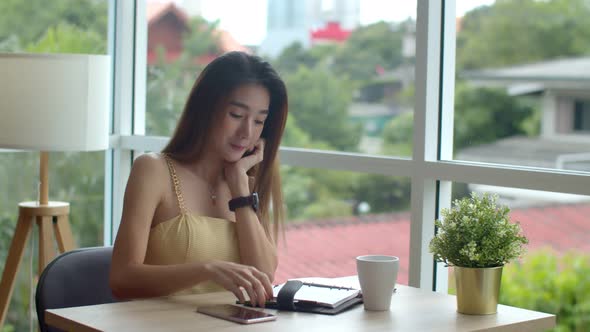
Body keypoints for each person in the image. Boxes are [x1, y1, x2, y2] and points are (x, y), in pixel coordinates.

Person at [110, 51, 288, 308]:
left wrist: (240, 191)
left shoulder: (245, 186)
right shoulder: (153, 170)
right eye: (236, 115)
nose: (246, 132)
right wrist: (206, 270)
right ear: (206, 108)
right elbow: (121, 279)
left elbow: (264, 276)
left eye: (259, 121)